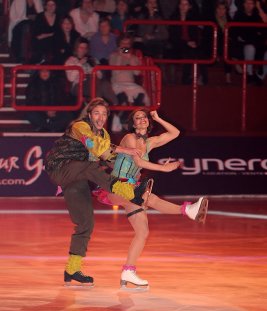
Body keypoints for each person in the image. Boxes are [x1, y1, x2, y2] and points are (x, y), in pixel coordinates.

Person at [94, 108, 209, 290]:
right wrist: (164, 168)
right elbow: (139, 162)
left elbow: (175, 133)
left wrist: (158, 118)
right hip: (116, 186)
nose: (142, 120)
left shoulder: (150, 142)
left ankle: (128, 272)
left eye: (145, 117)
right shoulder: (129, 138)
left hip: (130, 190)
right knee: (149, 197)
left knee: (143, 232)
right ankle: (187, 210)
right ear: (133, 124)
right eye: (138, 118)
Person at [44, 97, 146, 286]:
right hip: (60, 168)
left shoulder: (105, 135)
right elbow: (93, 145)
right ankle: (127, 192)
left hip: (78, 177)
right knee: (91, 167)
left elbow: (109, 160)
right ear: (90, 114)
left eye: (104, 113)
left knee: (86, 222)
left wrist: (131, 172)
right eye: (97, 113)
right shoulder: (80, 126)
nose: (101, 117)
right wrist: (123, 150)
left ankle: (72, 269)